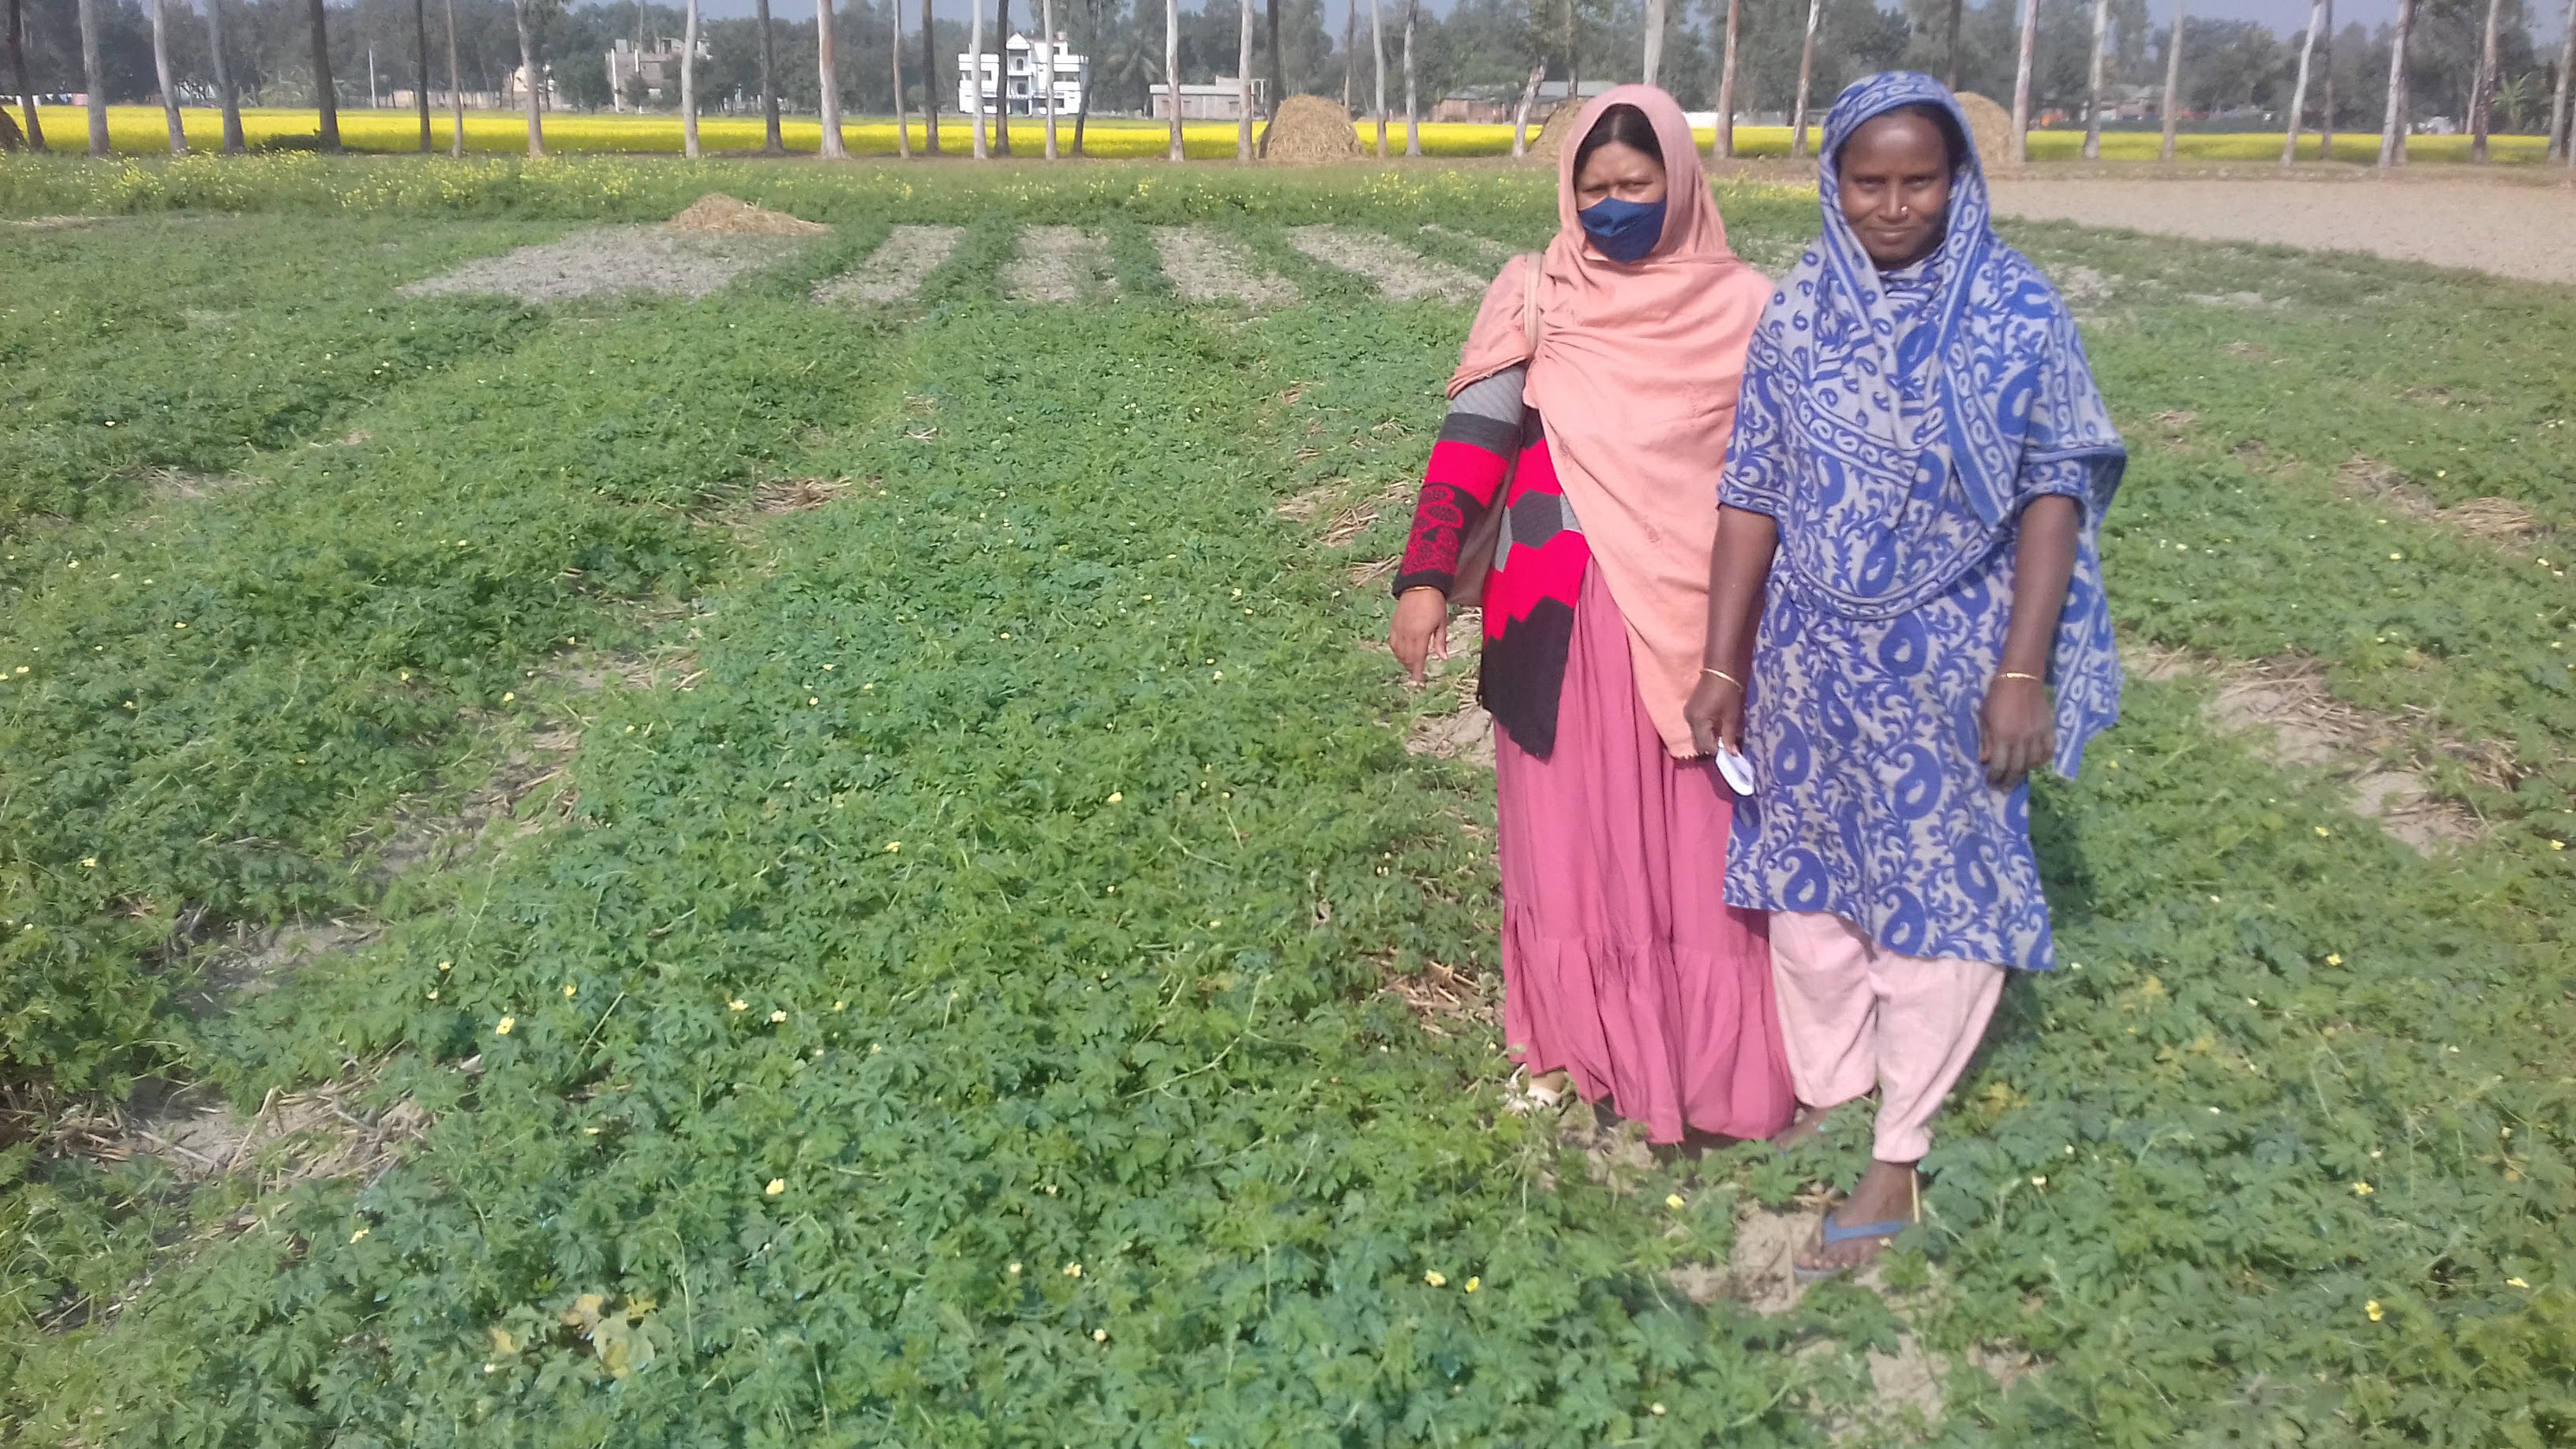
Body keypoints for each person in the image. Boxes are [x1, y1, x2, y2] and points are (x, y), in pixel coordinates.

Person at [1683, 73, 2126, 1276]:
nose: (1892, 205)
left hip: (1954, 658)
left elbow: (2053, 493)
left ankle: (1898, 1150)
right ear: (1833, 182)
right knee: (1812, 896)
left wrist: (2021, 670)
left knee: (1944, 895)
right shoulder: (1799, 315)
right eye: (1868, 181)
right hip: (1811, 662)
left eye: (1918, 180)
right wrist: (1724, 661)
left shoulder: (2016, 310)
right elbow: (1753, 493)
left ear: (1957, 178)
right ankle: (1835, 1095)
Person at [1387, 86, 1792, 1147]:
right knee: (1568, 845)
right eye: (1595, 187)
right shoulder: (1539, 293)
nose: (1615, 205)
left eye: (1636, 183)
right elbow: (1476, 434)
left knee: (1700, 850)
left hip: (1706, 625)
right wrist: (1425, 575)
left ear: (1680, 182)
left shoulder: (1749, 307)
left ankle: (1709, 1073)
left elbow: (1787, 473)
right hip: (1559, 617)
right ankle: (1583, 1049)